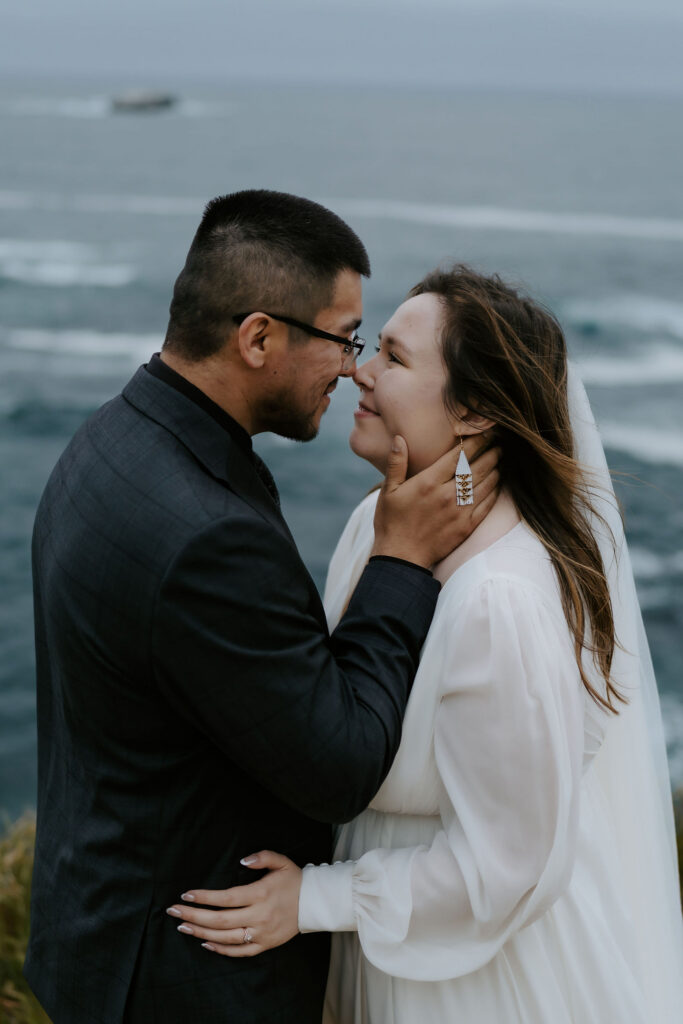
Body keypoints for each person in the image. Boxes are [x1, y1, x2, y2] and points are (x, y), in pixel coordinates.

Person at [24, 196, 500, 1024]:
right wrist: (399, 558)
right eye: (345, 338)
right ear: (257, 338)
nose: (353, 369)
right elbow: (340, 766)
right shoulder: (207, 534)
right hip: (181, 980)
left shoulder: (111, 438)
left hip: (95, 932)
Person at [170, 265, 683, 1023]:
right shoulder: (381, 525)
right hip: (396, 947)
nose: (358, 371)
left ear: (474, 410)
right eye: (369, 347)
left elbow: (505, 866)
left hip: (479, 977)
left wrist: (314, 897)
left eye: (393, 358)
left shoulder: (497, 602)